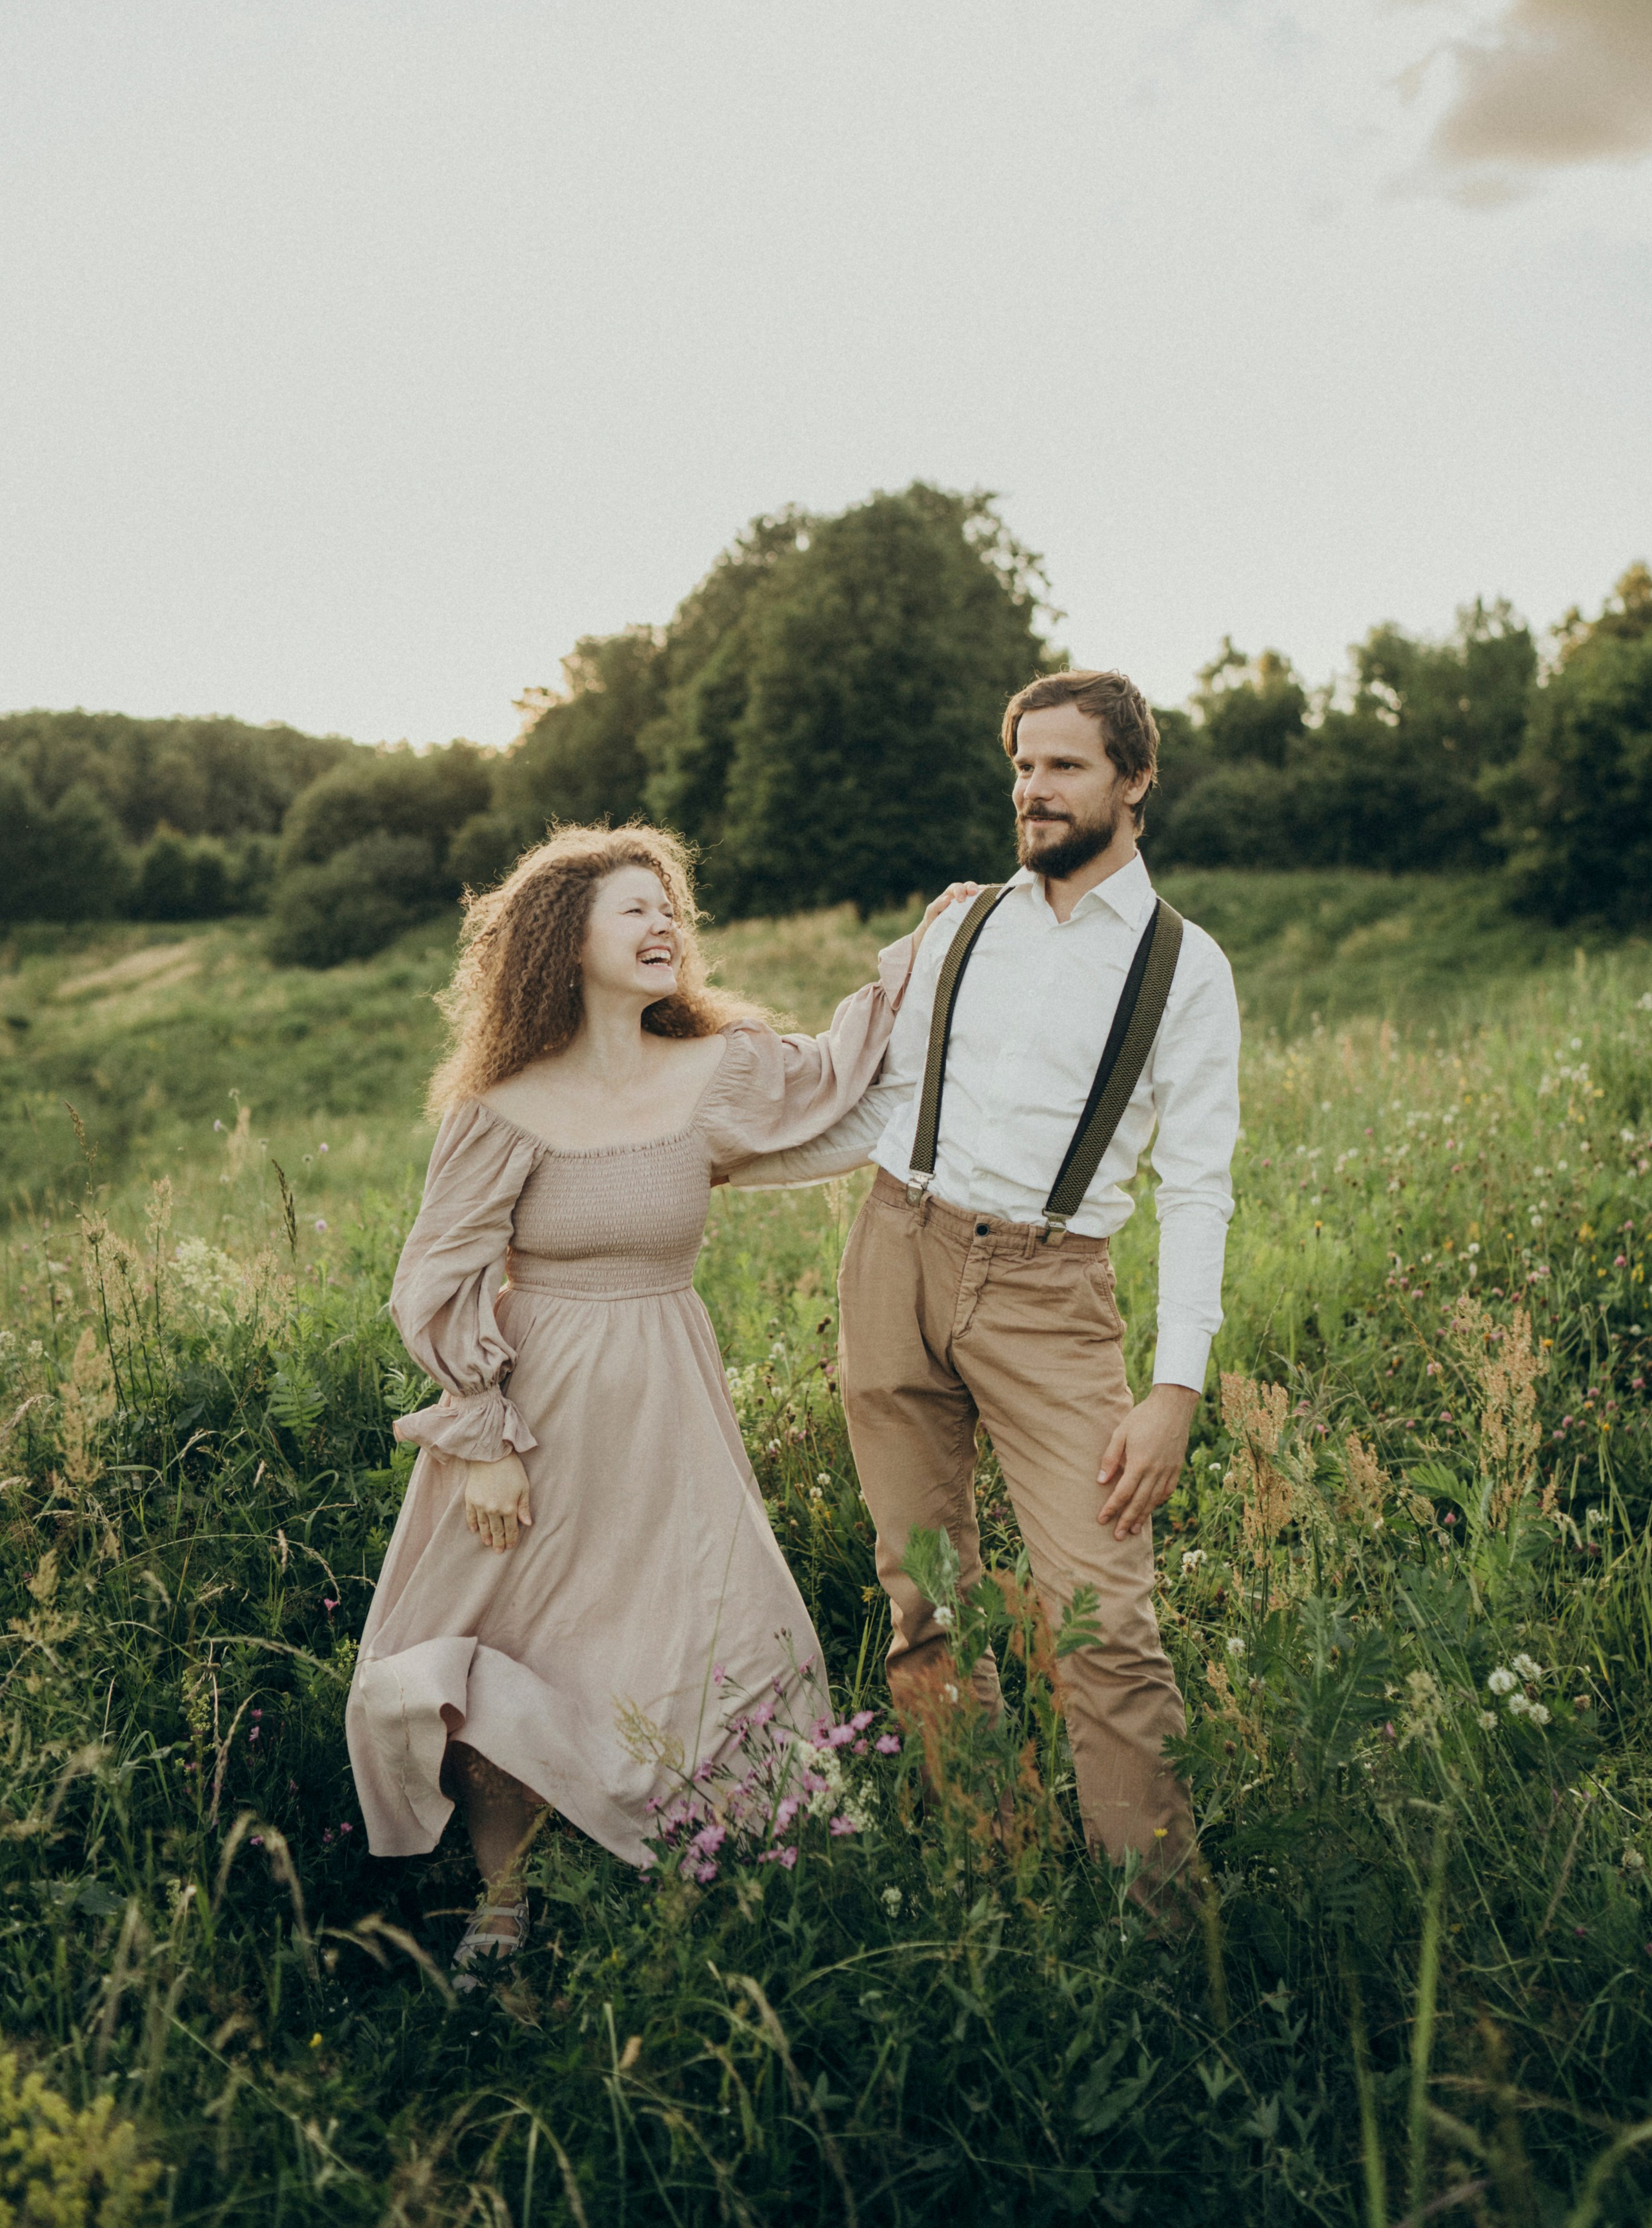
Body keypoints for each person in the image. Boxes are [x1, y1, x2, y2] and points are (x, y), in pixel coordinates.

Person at [346, 823, 950, 1970]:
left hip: (669, 1401)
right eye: (635, 909)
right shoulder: (503, 1107)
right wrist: (483, 1439)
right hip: (535, 1412)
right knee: (506, 1640)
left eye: (670, 908)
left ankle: (746, 1882)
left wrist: (931, 947)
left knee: (731, 1626)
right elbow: (435, 1280)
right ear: (564, 941)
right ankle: (504, 1904)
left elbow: (844, 1076)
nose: (665, 924)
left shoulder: (718, 1071)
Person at [729, 671, 1241, 1894]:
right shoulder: (958, 926)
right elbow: (880, 1109)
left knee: (1104, 1616)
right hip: (894, 1254)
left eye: (1064, 766)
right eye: (1022, 767)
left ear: (1135, 780)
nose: (1034, 790)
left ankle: (1162, 1920)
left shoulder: (1184, 967)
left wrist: (1175, 1388)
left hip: (1051, 1296)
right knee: (927, 1596)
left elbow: (1198, 1185)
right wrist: (701, 1166)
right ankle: (986, 1867)